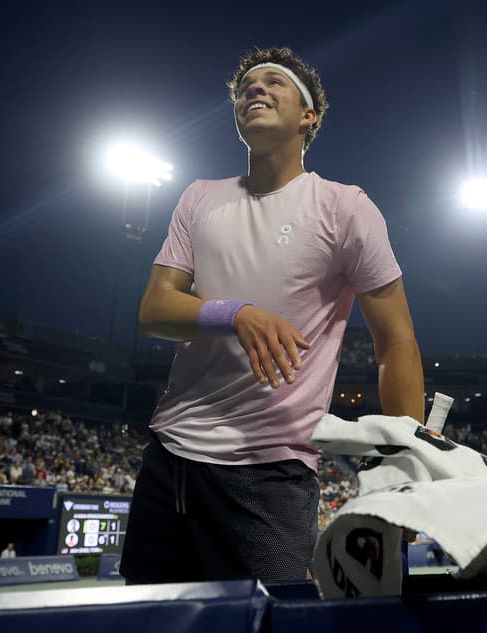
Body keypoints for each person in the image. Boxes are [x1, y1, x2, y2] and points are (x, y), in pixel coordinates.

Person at [120, 47, 424, 584]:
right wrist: (236, 313)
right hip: (169, 457)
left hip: (272, 470)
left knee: (270, 623)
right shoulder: (198, 198)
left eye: (273, 83)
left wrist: (407, 469)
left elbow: (395, 342)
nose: (254, 90)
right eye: (246, 87)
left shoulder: (345, 207)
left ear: (309, 117)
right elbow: (154, 309)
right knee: (152, 620)